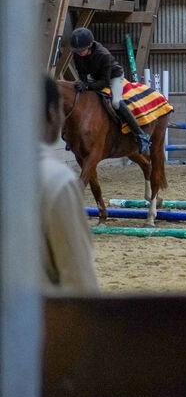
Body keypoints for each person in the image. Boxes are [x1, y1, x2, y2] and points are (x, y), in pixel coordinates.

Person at [40, 75, 100, 292]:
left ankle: (137, 132)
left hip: (108, 85)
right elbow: (79, 280)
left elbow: (108, 75)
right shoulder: (57, 180)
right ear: (52, 114)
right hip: (41, 319)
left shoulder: (100, 55)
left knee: (117, 104)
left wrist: (91, 84)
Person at [69, 27, 150, 155]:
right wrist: (83, 84)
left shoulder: (103, 55)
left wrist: (88, 86)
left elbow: (104, 83)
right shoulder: (77, 54)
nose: (79, 53)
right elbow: (82, 74)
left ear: (89, 46)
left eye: (82, 50)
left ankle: (141, 135)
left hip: (113, 77)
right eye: (77, 51)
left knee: (116, 102)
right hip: (95, 78)